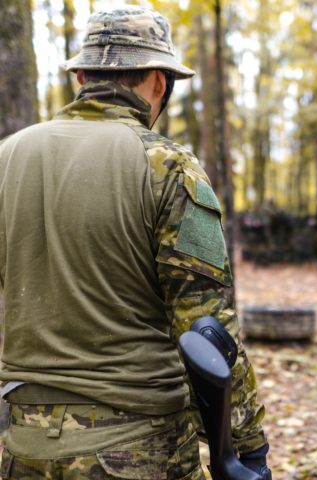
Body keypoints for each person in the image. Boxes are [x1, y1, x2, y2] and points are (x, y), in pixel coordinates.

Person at [0, 7, 270, 479]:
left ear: (81, 75)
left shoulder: (7, 158)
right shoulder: (166, 166)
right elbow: (207, 325)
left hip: (24, 447)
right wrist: (247, 447)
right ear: (159, 82)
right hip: (140, 449)